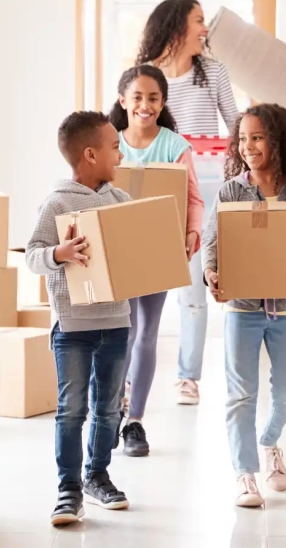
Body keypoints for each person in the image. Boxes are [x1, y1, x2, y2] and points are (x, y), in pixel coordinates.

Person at [201, 104, 286, 508]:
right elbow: (212, 242)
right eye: (242, 139)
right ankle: (245, 473)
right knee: (240, 395)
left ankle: (270, 442)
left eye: (257, 138)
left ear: (278, 141)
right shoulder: (230, 192)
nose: (248, 147)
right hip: (241, 306)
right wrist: (211, 273)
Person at [26, 111, 131, 526]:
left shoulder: (120, 201)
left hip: (117, 321)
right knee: (72, 409)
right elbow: (33, 254)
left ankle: (97, 475)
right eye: (114, 147)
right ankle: (68, 488)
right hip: (72, 327)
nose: (120, 154)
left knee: (108, 409)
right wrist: (59, 254)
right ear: (90, 154)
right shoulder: (57, 202)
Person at [136, 0, 239, 406]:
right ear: (177, 26)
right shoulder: (147, 80)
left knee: (194, 288)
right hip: (157, 189)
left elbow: (236, 126)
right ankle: (131, 375)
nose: (205, 28)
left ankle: (187, 377)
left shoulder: (212, 72)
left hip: (205, 190)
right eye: (198, 21)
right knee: (141, 284)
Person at [108, 64, 205, 457]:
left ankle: (135, 422)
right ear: (123, 100)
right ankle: (112, 411)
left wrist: (191, 235)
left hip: (159, 248)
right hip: (117, 249)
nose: (145, 106)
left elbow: (194, 198)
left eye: (153, 98)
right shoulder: (109, 141)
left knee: (146, 332)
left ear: (163, 103)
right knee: (121, 334)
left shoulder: (175, 146)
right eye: (138, 97)